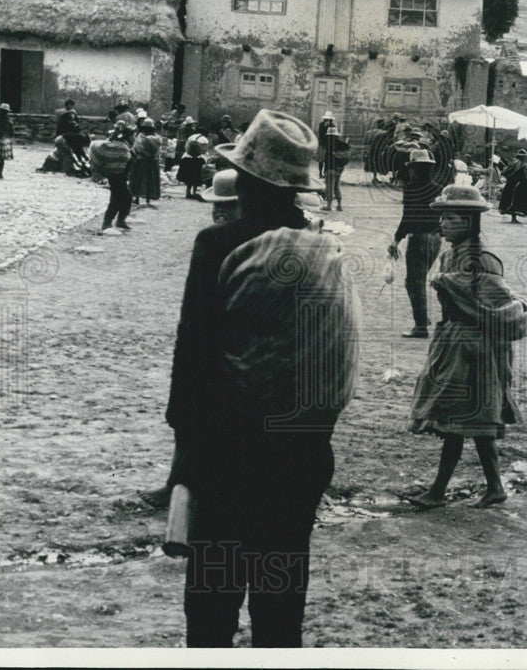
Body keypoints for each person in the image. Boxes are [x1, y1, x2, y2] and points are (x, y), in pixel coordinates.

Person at [165, 109, 357, 648]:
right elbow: (335, 360)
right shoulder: (324, 249)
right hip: (299, 453)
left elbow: (194, 356)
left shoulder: (217, 245)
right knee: (279, 603)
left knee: (213, 603)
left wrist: (185, 456)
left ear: (245, 179)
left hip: (226, 451)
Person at [406, 184, 527, 509]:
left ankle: (454, 490)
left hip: (476, 346)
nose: (442, 224)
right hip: (455, 341)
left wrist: (450, 283)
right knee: (458, 419)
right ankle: (487, 487)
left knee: (471, 420)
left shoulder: (480, 257)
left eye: (449, 218)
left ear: (468, 220)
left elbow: (498, 301)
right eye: (443, 218)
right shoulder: (453, 252)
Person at [389, 149, 443, 338]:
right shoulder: (439, 188)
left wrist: (396, 239)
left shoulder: (412, 189)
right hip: (436, 239)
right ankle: (423, 317)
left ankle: (420, 326)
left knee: (414, 282)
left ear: (413, 169)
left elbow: (408, 218)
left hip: (419, 239)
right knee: (419, 280)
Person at [89, 126, 133, 232]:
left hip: (116, 176)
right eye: (133, 135)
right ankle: (108, 222)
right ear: (128, 136)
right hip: (117, 176)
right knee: (119, 199)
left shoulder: (120, 145)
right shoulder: (122, 147)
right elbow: (123, 162)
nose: (134, 137)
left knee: (122, 198)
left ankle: (118, 221)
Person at [129, 118, 163, 207]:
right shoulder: (158, 138)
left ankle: (136, 198)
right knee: (150, 179)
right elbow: (159, 152)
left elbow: (136, 149)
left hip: (142, 161)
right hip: (153, 162)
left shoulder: (141, 137)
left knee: (138, 179)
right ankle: (148, 198)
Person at [498, 149, 527, 223]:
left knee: (511, 200)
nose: (526, 159)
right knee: (516, 201)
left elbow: (506, 173)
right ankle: (514, 218)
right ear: (522, 157)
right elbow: (523, 175)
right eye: (525, 157)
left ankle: (513, 217)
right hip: (518, 185)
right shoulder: (521, 164)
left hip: (511, 184)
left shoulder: (513, 163)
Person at [322, 126, 350, 211]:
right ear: (337, 135)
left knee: (329, 187)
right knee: (337, 187)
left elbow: (326, 159)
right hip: (339, 169)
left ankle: (329, 206)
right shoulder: (343, 145)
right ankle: (339, 205)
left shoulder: (329, 146)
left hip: (330, 169)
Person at [177, 135, 206, 199]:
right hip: (197, 177)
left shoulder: (185, 160)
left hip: (188, 176)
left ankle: (188, 192)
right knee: (195, 182)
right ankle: (194, 192)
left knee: (189, 183)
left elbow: (181, 170)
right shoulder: (201, 160)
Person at [364, 118, 389, 184]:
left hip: (369, 149)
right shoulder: (384, 133)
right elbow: (384, 143)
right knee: (377, 163)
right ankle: (375, 178)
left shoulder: (370, 132)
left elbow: (366, 142)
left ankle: (374, 178)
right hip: (378, 150)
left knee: (372, 162)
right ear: (383, 125)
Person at [316, 110, 336, 178]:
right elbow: (320, 133)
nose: (328, 120)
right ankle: (320, 173)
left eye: (329, 119)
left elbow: (335, 135)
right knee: (321, 160)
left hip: (329, 144)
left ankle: (325, 173)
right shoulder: (321, 125)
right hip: (322, 144)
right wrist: (325, 127)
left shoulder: (333, 126)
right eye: (326, 119)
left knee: (328, 160)